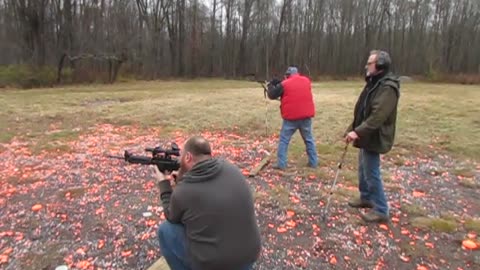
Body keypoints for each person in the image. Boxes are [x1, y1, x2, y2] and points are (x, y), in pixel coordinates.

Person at [153, 136, 262, 270]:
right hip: (248, 258)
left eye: (181, 156)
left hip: (213, 265)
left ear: (187, 157)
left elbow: (171, 215)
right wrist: (182, 178)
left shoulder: (184, 191)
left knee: (166, 230)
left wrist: (163, 182)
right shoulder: (231, 169)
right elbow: (205, 190)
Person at [344, 50, 401, 223]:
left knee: (371, 171)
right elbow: (363, 110)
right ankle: (366, 197)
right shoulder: (374, 82)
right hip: (366, 133)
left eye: (370, 63)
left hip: (375, 135)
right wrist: (352, 128)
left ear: (380, 66)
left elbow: (377, 117)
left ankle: (381, 209)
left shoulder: (387, 87)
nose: (367, 66)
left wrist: (358, 131)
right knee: (363, 168)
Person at [266, 65, 318, 170]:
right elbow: (294, 86)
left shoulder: (284, 84)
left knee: (284, 140)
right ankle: (313, 162)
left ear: (287, 75)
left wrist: (271, 85)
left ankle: (281, 164)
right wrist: (280, 83)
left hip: (291, 118)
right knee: (309, 140)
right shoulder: (306, 81)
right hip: (306, 116)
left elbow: (272, 95)